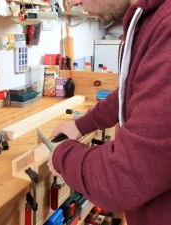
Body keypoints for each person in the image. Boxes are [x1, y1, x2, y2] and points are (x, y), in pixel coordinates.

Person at [47, 0, 171, 224]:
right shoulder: (151, 18)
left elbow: (122, 180)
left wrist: (62, 156)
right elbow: (131, 91)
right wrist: (82, 124)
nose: (74, 2)